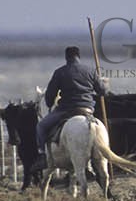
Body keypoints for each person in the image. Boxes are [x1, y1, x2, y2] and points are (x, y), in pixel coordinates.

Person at [31, 46, 107, 175]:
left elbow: (50, 96)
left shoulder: (60, 72)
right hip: (87, 109)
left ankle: (42, 156)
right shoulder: (91, 71)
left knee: (41, 127)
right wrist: (104, 84)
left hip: (66, 110)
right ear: (78, 56)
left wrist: (49, 103)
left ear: (66, 57)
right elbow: (102, 91)